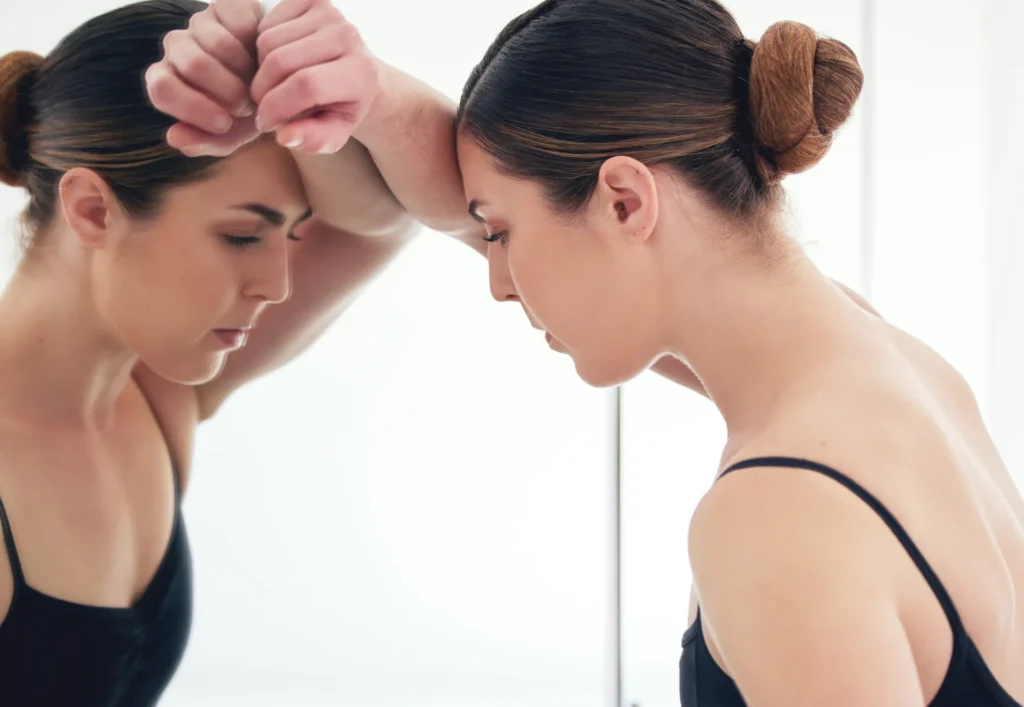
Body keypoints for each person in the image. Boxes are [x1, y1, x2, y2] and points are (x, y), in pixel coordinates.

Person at [152, 0, 1024, 706]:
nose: (496, 278)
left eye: (500, 234)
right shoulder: (891, 364)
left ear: (621, 200)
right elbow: (461, 196)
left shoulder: (778, 510)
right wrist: (363, 93)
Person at [0, 0, 461, 703]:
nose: (278, 284)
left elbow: (389, 218)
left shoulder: (154, 395)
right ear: (92, 209)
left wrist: (337, 83)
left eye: (292, 235)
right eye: (244, 236)